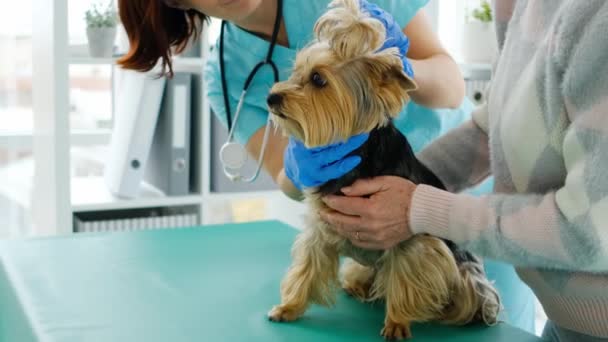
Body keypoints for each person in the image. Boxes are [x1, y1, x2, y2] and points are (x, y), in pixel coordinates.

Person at [116, 0, 535, 333]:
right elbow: (286, 177)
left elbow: (451, 86)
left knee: (483, 324)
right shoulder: (225, 71)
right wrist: (303, 167)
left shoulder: (354, 10)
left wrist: (395, 70)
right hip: (367, 241)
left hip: (467, 206)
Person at [317, 1, 608, 341]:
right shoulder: (520, 5)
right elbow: (494, 126)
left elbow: (589, 230)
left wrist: (417, 208)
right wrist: (392, 182)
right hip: (565, 321)